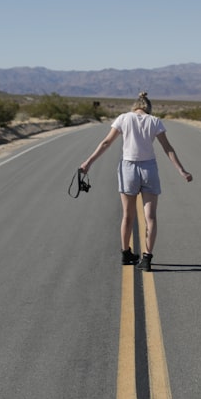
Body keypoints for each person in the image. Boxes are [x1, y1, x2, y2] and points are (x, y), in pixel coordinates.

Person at [79, 92, 192, 271]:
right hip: (149, 169)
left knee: (128, 215)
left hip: (128, 169)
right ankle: (147, 258)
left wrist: (88, 162)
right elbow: (167, 148)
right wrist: (181, 170)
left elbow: (106, 142)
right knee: (151, 217)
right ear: (149, 107)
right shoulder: (154, 121)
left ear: (135, 106)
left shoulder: (123, 118)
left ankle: (126, 254)